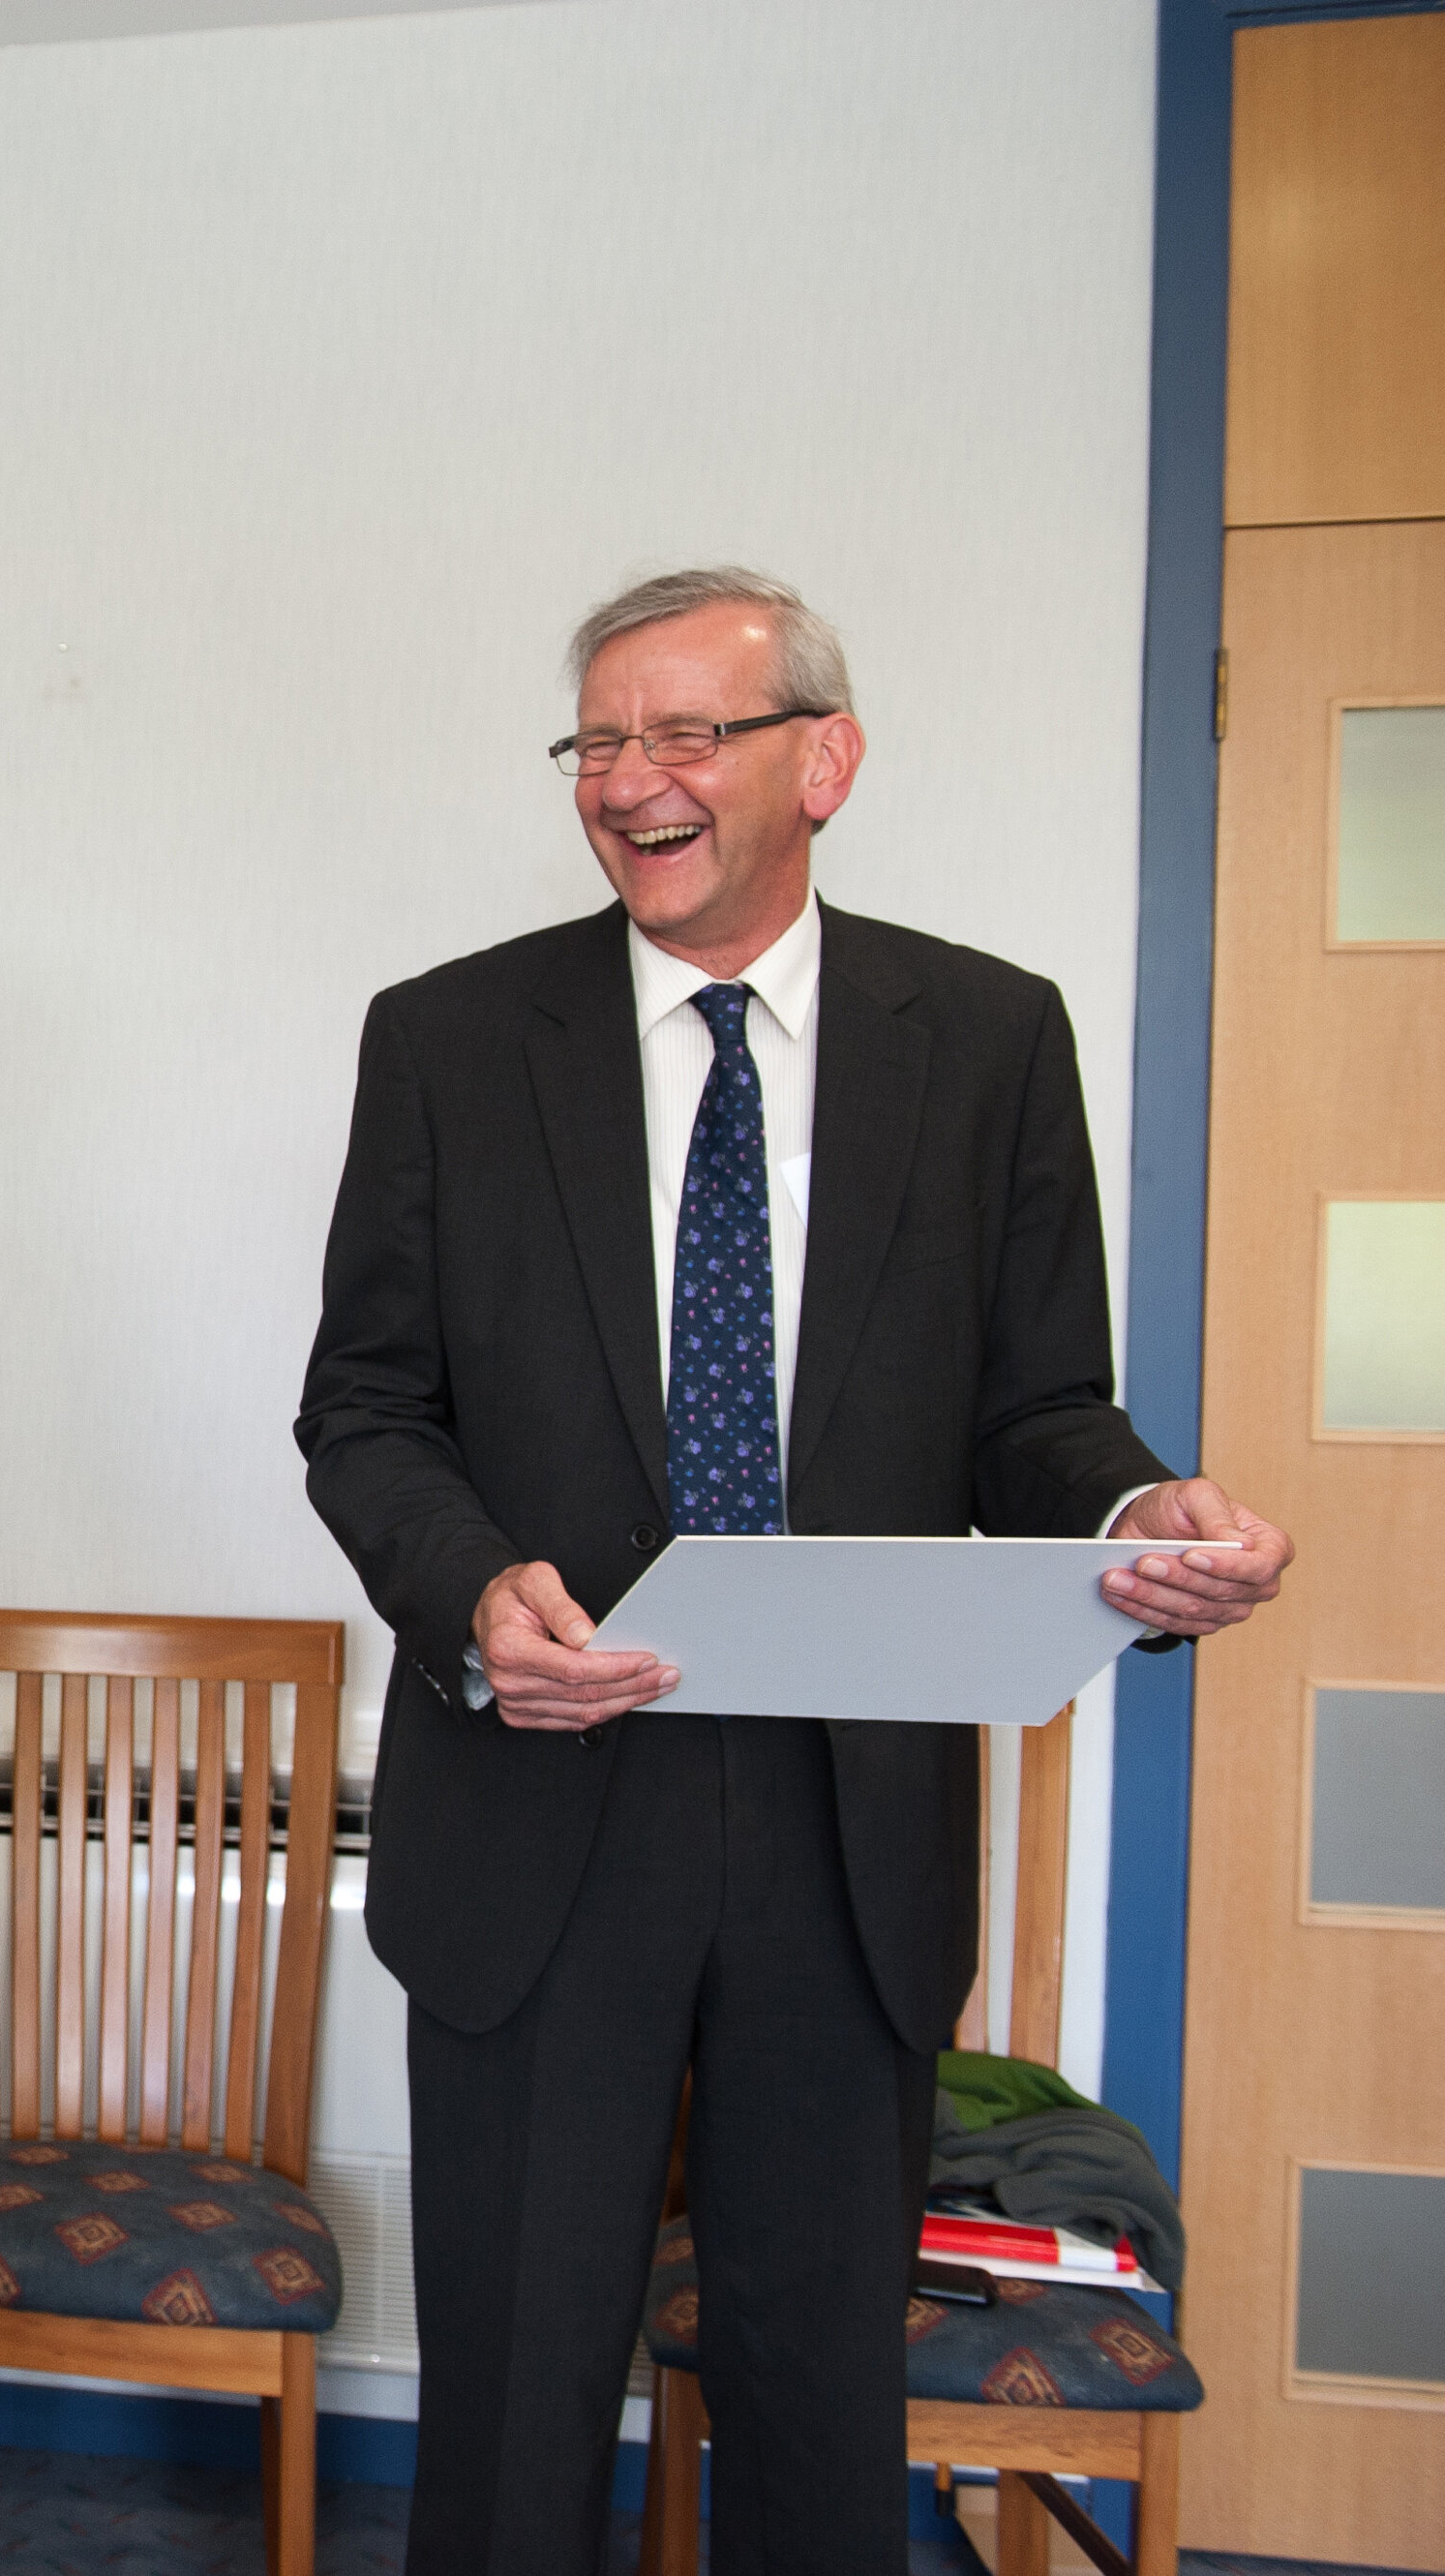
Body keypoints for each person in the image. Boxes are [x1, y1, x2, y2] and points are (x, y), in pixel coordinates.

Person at [296, 566, 1291, 2570]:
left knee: (817, 2406)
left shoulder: (988, 1038)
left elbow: (1036, 1409)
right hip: (538, 1806)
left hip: (848, 1829)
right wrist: (477, 1595)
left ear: (819, 758)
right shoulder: (448, 1038)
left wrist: (1127, 1512)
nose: (628, 781)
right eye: (595, 740)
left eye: (682, 734)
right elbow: (363, 1411)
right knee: (504, 2412)